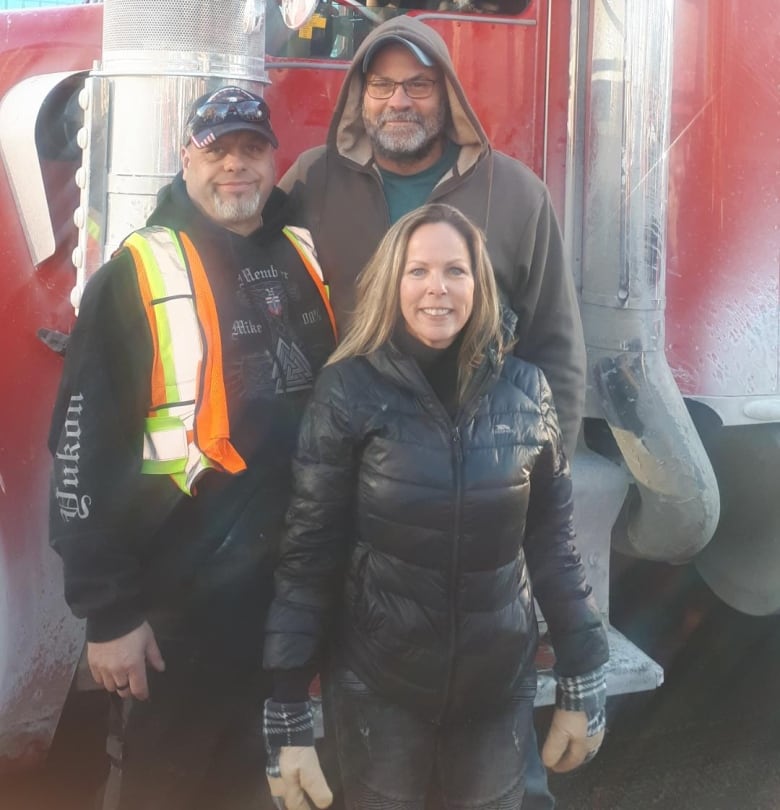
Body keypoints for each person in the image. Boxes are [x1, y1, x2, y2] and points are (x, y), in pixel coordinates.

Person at [279, 16, 587, 806]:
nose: (400, 101)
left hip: (485, 536)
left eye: (419, 84)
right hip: (361, 505)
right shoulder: (313, 180)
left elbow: (555, 347)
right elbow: (237, 240)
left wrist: (528, 478)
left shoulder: (516, 195)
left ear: (448, 96)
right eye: (382, 85)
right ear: (359, 96)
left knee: (500, 779)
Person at [262, 204, 609, 810]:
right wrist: (287, 704)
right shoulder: (348, 390)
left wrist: (585, 669)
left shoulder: (528, 393)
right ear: (393, 283)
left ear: (480, 285)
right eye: (418, 271)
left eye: (456, 270)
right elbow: (308, 552)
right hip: (379, 688)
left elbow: (553, 544)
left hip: (495, 689)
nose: (437, 289)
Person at [48, 86, 337, 810]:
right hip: (182, 604)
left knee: (263, 782)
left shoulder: (301, 253)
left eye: (250, 149)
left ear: (273, 159)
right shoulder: (137, 272)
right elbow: (80, 445)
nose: (235, 167)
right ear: (186, 159)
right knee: (168, 786)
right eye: (217, 151)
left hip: (287, 595)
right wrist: (107, 615)